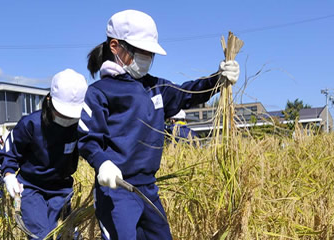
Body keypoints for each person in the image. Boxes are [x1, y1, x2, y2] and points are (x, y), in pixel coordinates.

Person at [78, 9, 240, 239]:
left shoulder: (156, 88)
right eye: (140, 51)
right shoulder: (99, 93)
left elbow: (187, 93)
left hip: (148, 188)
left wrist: (218, 78)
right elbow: (87, 137)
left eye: (149, 53)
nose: (146, 58)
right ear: (115, 46)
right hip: (117, 191)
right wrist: (102, 163)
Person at [0, 69, 88, 239]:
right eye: (62, 113)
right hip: (31, 187)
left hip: (62, 188)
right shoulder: (30, 124)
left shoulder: (80, 126)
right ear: (49, 101)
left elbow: (93, 148)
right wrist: (9, 175)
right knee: (41, 235)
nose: (67, 119)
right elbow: (9, 154)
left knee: (66, 234)